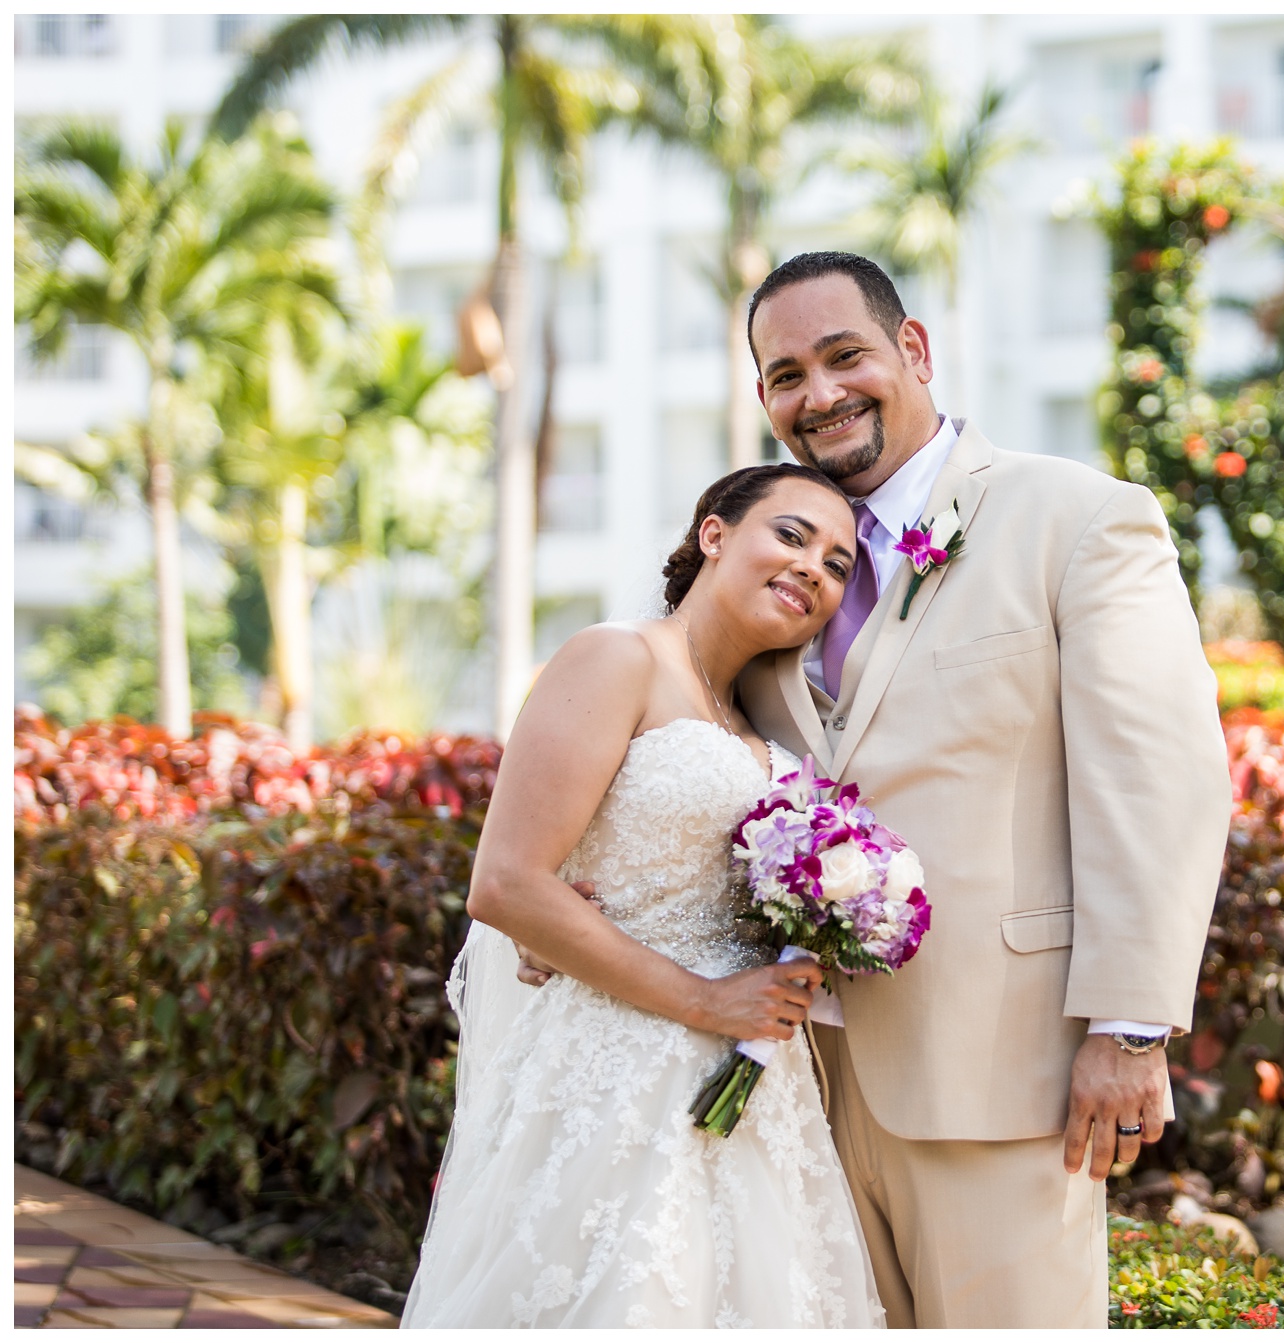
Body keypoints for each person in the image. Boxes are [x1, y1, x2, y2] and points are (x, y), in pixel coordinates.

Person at [733, 252, 1231, 1328]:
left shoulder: (1078, 519)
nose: (817, 395)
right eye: (783, 375)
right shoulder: (779, 561)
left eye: (842, 356)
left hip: (1005, 1072)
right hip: (801, 1077)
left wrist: (1130, 1027)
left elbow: (1158, 779)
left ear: (911, 349)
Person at [401, 464, 886, 1328]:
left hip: (755, 1094)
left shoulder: (766, 725)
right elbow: (506, 881)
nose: (816, 567)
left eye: (840, 563)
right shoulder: (615, 656)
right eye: (791, 535)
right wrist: (705, 999)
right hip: (616, 1069)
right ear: (714, 534)